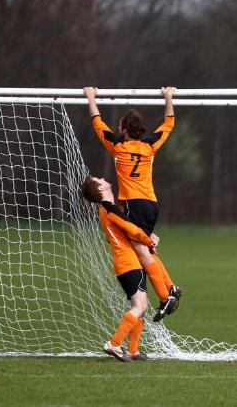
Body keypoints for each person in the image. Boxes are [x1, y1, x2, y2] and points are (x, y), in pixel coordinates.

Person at [84, 86, 181, 318]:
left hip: (133, 204)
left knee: (142, 251)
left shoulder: (118, 148)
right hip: (151, 203)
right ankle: (170, 289)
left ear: (124, 130)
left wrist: (91, 98)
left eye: (119, 127)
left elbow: (99, 125)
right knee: (146, 249)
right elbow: (168, 124)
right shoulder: (150, 147)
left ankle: (167, 295)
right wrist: (168, 98)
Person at [79, 175, 180, 361]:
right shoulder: (109, 209)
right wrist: (148, 240)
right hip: (127, 263)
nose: (102, 178)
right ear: (100, 189)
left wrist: (149, 238)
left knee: (139, 306)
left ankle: (133, 351)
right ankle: (114, 344)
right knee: (140, 305)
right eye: (99, 180)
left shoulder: (113, 208)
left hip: (128, 262)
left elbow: (131, 230)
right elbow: (132, 230)